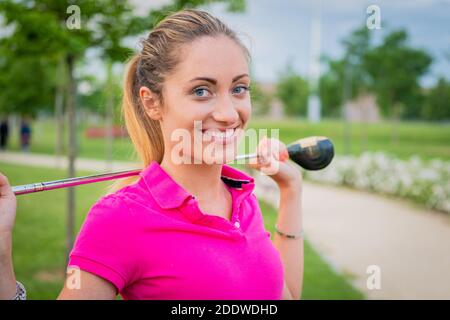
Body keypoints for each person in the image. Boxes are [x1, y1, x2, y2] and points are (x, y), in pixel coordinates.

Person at [0, 9, 303, 300]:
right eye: (201, 91)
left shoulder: (243, 201)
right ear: (152, 103)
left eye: (239, 88)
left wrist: (291, 192)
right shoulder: (119, 219)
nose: (228, 113)